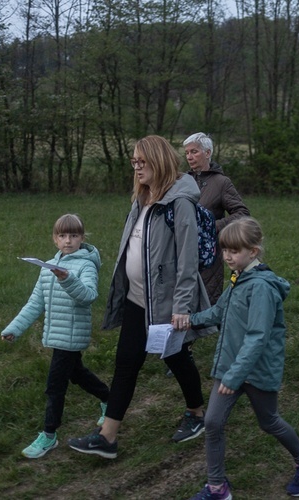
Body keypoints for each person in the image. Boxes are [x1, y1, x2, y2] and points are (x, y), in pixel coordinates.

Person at [68, 135, 214, 459]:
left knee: (175, 358)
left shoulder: (180, 203)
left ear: (158, 161)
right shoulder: (142, 199)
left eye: (141, 162)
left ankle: (196, 413)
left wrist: (181, 307)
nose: (136, 168)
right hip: (137, 299)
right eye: (133, 162)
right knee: (125, 363)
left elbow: (188, 262)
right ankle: (107, 438)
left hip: (166, 303)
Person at [188, 218, 299, 500]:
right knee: (212, 423)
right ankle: (217, 487)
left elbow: (257, 337)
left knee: (269, 421)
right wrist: (188, 320)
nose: (226, 257)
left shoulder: (260, 287)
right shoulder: (239, 279)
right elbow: (218, 312)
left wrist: (235, 376)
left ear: (254, 251)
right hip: (230, 367)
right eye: (225, 251)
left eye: (233, 251)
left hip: (255, 371)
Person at [1, 214, 109, 459]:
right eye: (62, 235)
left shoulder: (85, 265)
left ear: (82, 238)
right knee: (77, 374)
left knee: (54, 387)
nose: (68, 241)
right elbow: (34, 304)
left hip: (72, 336)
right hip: (57, 335)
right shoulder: (48, 267)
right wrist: (13, 329)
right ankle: (109, 399)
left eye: (73, 235)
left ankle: (49, 435)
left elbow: (89, 295)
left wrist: (67, 279)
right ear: (55, 239)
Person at [183, 132, 250, 305]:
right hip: (183, 247)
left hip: (209, 252)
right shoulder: (183, 181)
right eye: (187, 153)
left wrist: (213, 226)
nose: (189, 157)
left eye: (194, 152)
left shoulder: (221, 182)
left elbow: (242, 213)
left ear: (207, 152)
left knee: (206, 302)